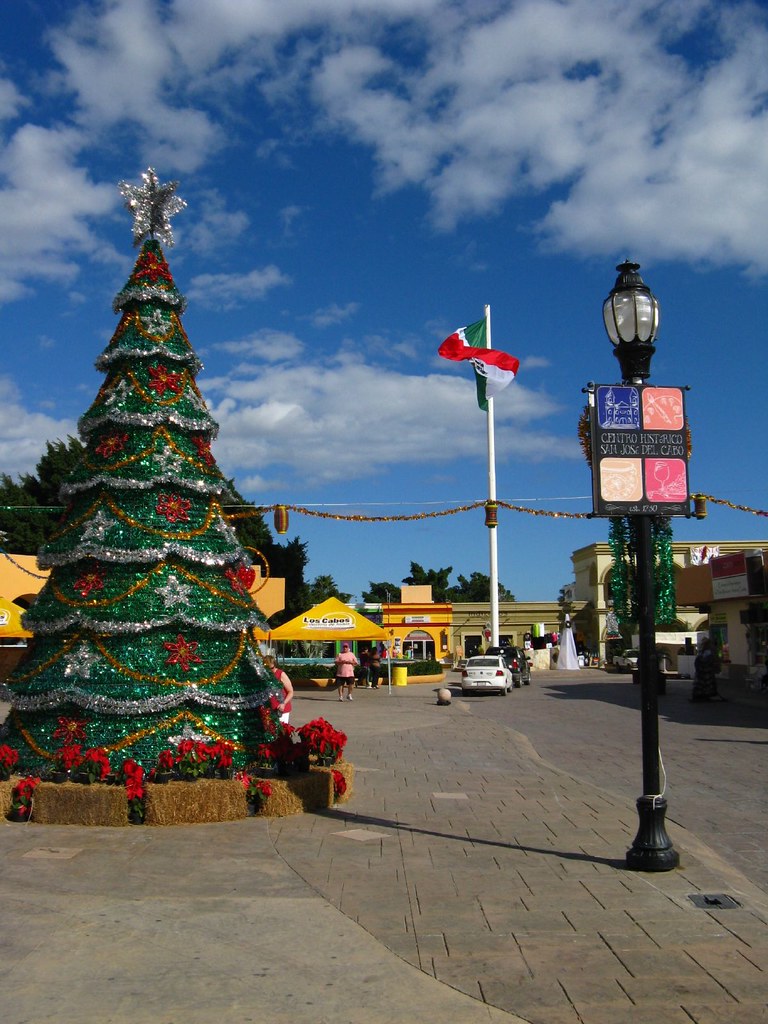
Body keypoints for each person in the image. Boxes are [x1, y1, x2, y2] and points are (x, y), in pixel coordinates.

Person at [263, 655, 294, 723]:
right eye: (268, 669)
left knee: (281, 732)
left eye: (272, 668)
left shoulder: (281, 674)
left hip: (281, 710)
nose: (271, 670)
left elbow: (290, 692)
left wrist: (283, 703)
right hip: (267, 710)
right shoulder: (263, 676)